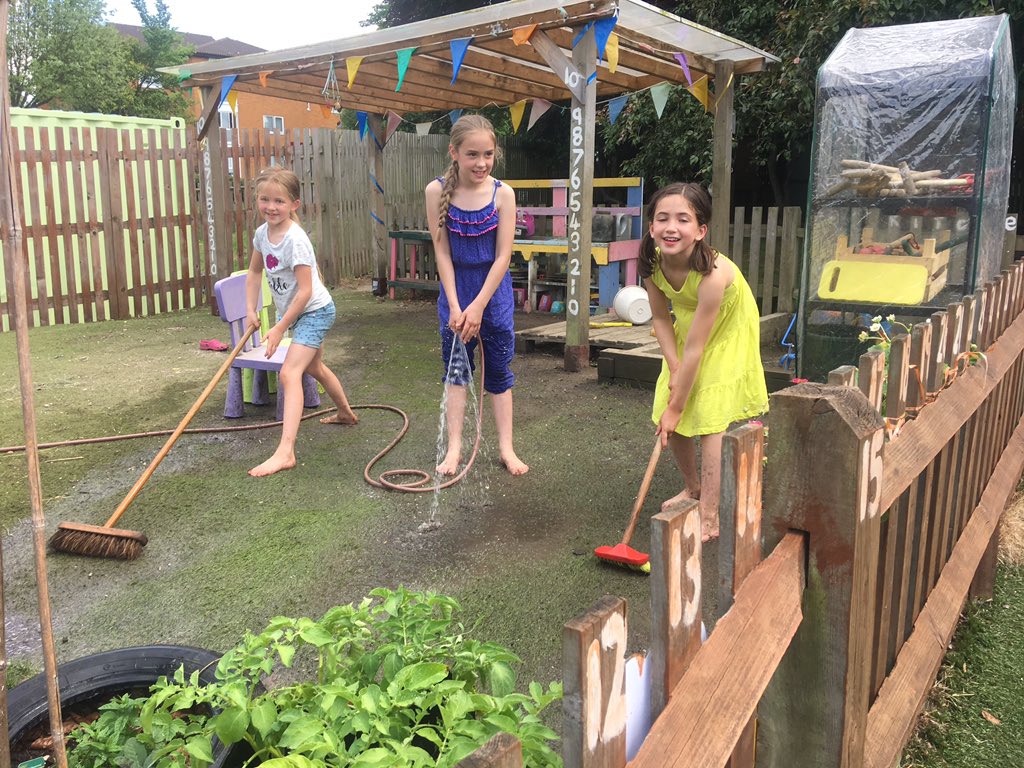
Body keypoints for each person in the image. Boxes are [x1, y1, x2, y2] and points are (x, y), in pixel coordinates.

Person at [642, 183, 768, 541]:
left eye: (683, 219)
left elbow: (698, 348)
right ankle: (693, 487)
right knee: (668, 409)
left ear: (700, 231)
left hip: (726, 327)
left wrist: (679, 404)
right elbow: (661, 318)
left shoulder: (713, 275)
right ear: (651, 227)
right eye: (662, 218)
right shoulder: (651, 263)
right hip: (687, 325)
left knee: (708, 415)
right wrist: (674, 368)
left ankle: (710, 515)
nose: (671, 227)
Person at [424, 114, 528, 476]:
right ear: (454, 153)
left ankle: (506, 448)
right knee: (456, 372)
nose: (481, 163)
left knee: (498, 372)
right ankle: (454, 449)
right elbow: (442, 254)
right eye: (472, 154)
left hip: (493, 295)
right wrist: (455, 305)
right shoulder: (436, 191)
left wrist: (479, 306)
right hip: (455, 292)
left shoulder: (504, 194)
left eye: (487, 154)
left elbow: (503, 256)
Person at [245, 167, 358, 477]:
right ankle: (346, 414)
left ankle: (286, 452)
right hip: (298, 312)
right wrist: (251, 309)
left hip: (315, 310)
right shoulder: (262, 234)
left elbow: (306, 291)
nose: (271, 207)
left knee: (289, 373)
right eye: (264, 199)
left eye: (279, 201)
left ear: (294, 204)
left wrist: (280, 326)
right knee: (313, 367)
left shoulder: (295, 240)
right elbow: (255, 272)